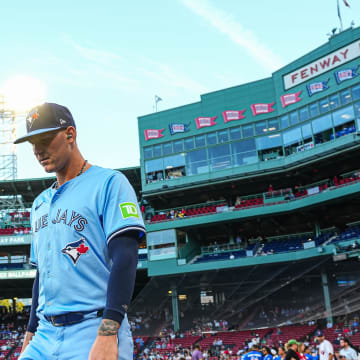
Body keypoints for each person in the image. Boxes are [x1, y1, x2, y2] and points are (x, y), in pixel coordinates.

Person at [16, 103, 145, 360]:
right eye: (32, 143)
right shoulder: (39, 204)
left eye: (44, 139)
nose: (37, 150)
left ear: (70, 135)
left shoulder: (109, 183)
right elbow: (42, 274)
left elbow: (126, 257)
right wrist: (30, 331)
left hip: (93, 326)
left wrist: (109, 331)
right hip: (44, 334)